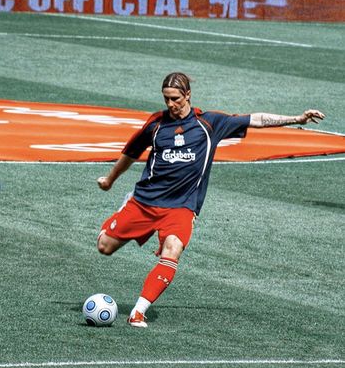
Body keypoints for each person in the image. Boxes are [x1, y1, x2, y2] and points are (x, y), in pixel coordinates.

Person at [97, 72, 325, 327]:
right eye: (166, 99)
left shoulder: (210, 124)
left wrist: (297, 118)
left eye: (175, 99)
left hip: (182, 206)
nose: (170, 104)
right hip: (145, 201)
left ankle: (138, 311)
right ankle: (126, 207)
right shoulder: (156, 124)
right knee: (104, 247)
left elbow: (256, 119)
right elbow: (131, 153)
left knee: (173, 250)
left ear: (187, 96)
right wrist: (110, 179)